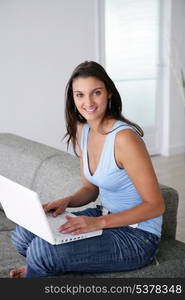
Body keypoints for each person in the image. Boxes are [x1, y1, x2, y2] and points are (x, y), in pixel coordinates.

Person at [9, 61, 165, 278]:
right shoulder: (83, 130)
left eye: (96, 93)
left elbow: (156, 206)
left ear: (109, 93)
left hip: (137, 236)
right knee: (22, 236)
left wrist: (97, 223)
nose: (88, 102)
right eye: (80, 94)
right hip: (105, 216)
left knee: (41, 250)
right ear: (72, 98)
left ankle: (39, 265)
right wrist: (66, 201)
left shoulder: (125, 139)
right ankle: (41, 266)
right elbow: (90, 189)